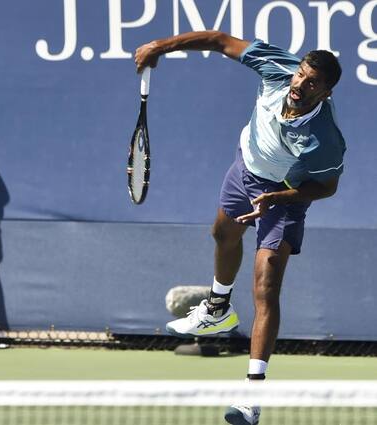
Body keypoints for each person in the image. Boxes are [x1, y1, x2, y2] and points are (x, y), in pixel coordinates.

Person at [134, 31, 345, 425]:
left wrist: (278, 200)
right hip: (245, 169)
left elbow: (327, 187)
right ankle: (217, 308)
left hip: (285, 193)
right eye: (301, 74)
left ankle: (251, 396)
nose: (300, 83)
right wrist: (159, 47)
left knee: (266, 285)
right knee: (222, 234)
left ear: (326, 92)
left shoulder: (324, 138)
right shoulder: (276, 68)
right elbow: (217, 40)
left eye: (312, 81)